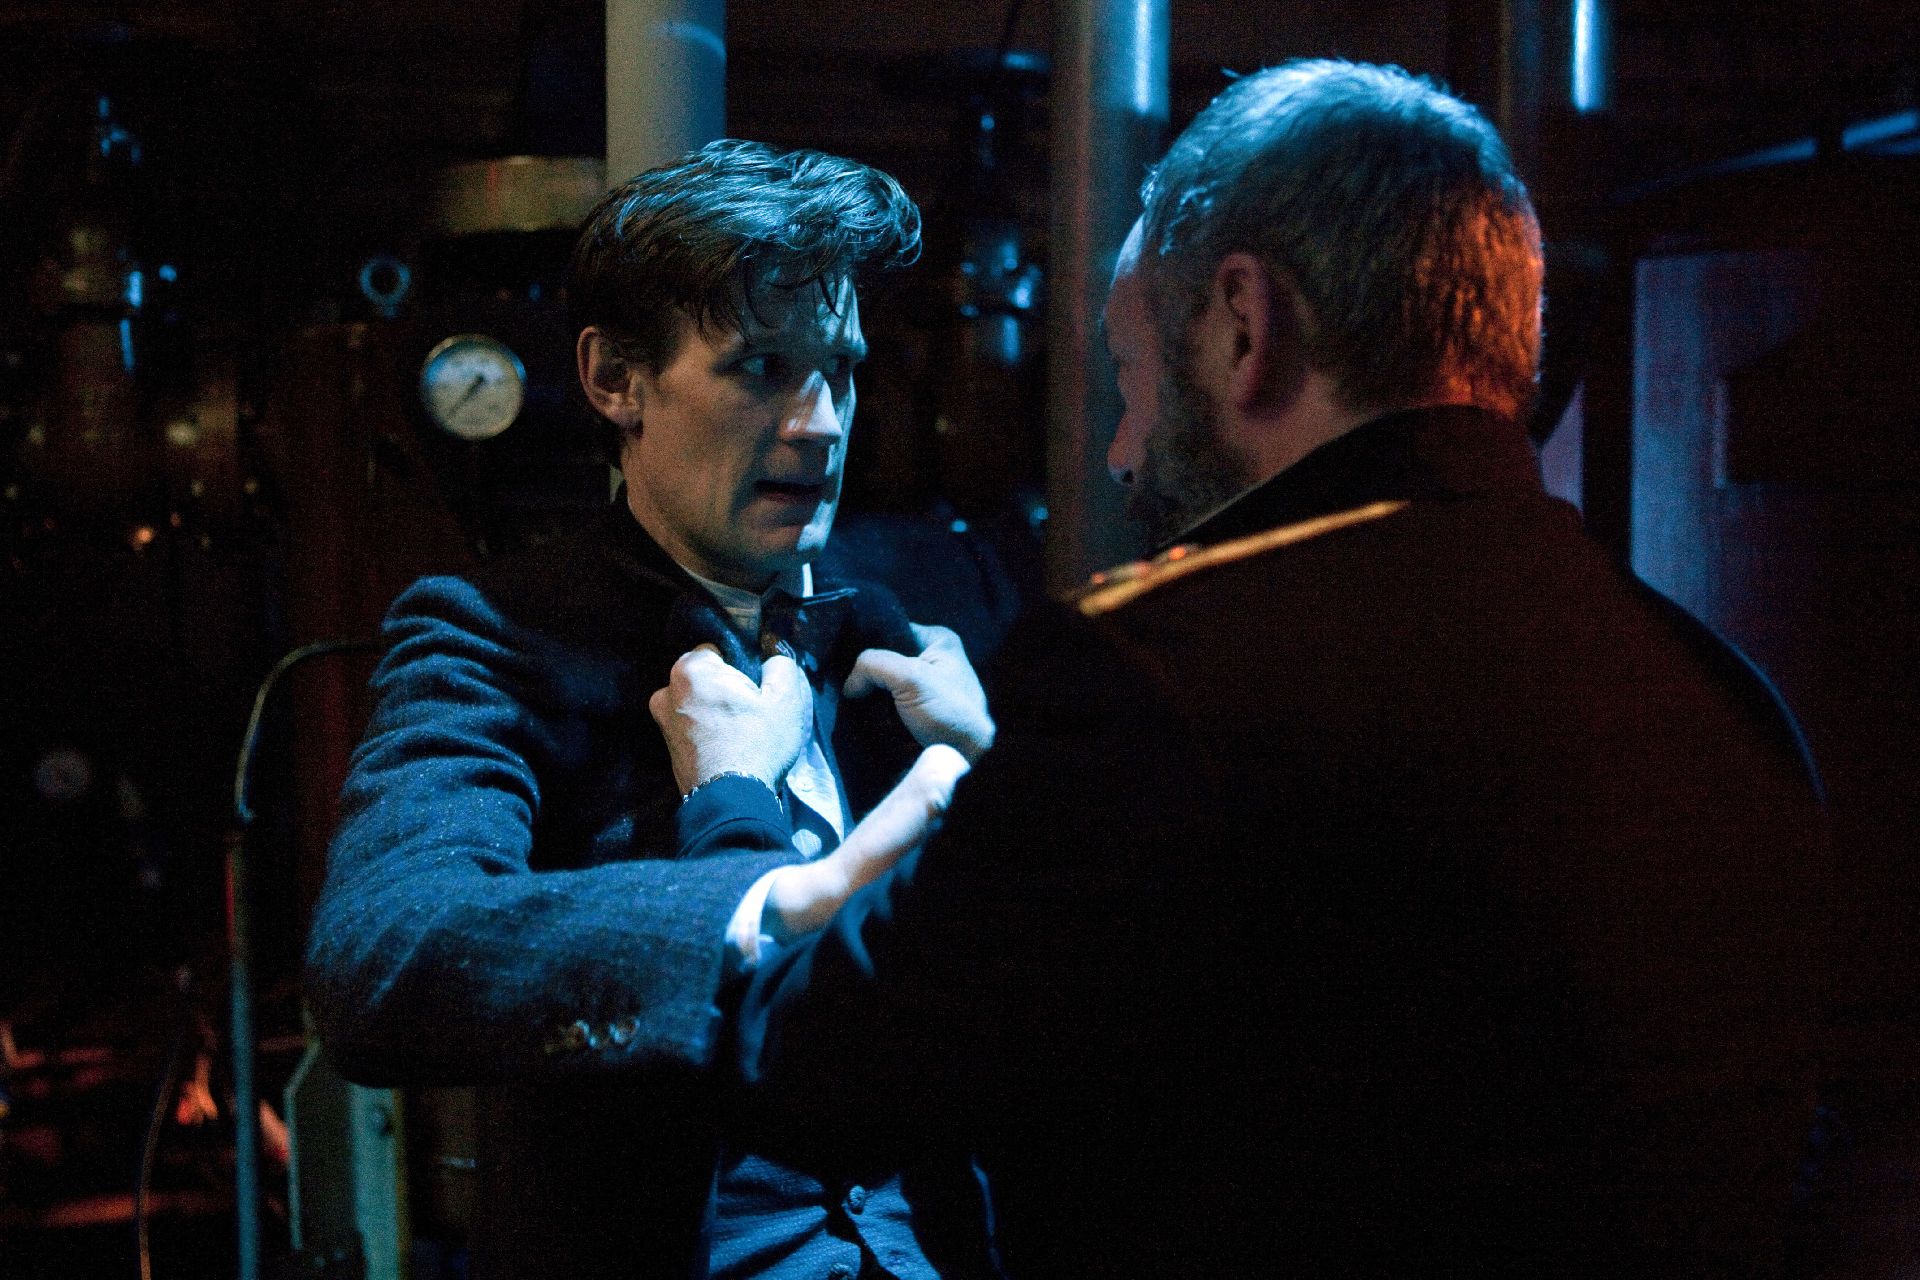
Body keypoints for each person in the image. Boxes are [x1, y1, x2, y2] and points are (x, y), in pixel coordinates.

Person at [658, 62, 1829, 1276]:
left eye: (1131, 378)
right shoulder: (1727, 699)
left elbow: (814, 1079)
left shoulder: (1155, 676)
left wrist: (736, 805)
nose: (1121, 454)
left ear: (1241, 326)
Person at [304, 140, 1004, 1280]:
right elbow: (378, 959)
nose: (822, 422)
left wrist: (996, 776)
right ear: (614, 380)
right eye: (762, 368)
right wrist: (753, 901)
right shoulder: (493, 633)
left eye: (840, 369)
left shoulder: (911, 626)